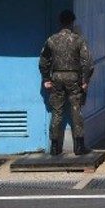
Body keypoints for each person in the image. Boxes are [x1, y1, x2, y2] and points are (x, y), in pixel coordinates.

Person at [39, 9, 93, 156]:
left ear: (60, 22)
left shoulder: (51, 40)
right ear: (72, 22)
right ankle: (79, 146)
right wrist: (85, 80)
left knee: (57, 111)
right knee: (76, 109)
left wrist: (46, 79)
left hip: (56, 77)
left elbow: (43, 61)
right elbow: (87, 62)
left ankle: (55, 147)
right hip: (74, 77)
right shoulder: (78, 40)